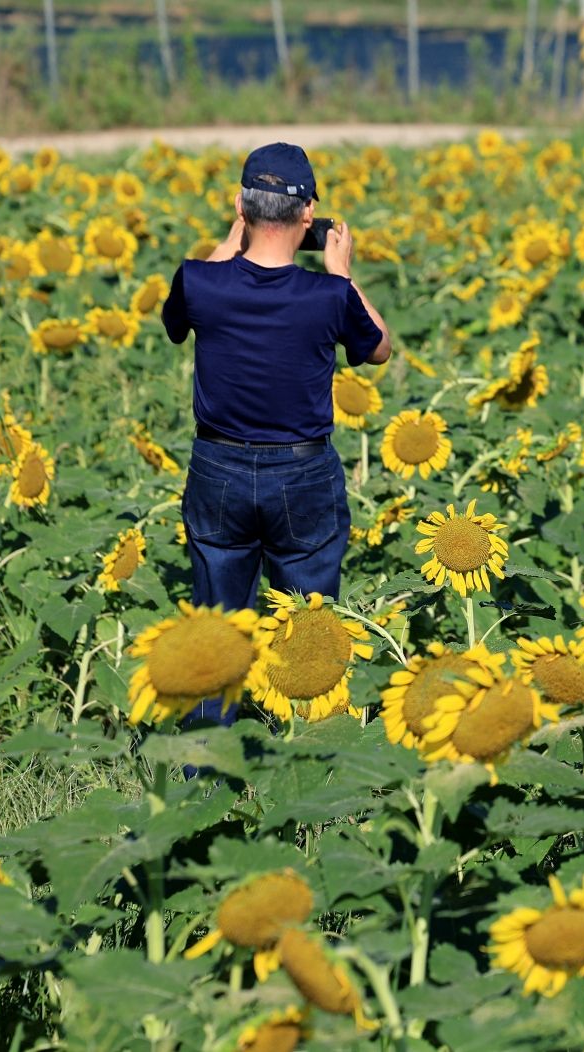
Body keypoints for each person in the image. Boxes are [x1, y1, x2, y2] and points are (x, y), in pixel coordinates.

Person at [162, 142, 392, 725]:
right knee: (311, 630)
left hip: (218, 467)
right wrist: (341, 270)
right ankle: (310, 758)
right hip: (303, 471)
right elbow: (380, 348)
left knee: (217, 627)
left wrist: (236, 233)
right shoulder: (329, 296)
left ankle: (204, 770)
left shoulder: (199, 282)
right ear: (308, 215)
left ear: (241, 206)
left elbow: (180, 316)